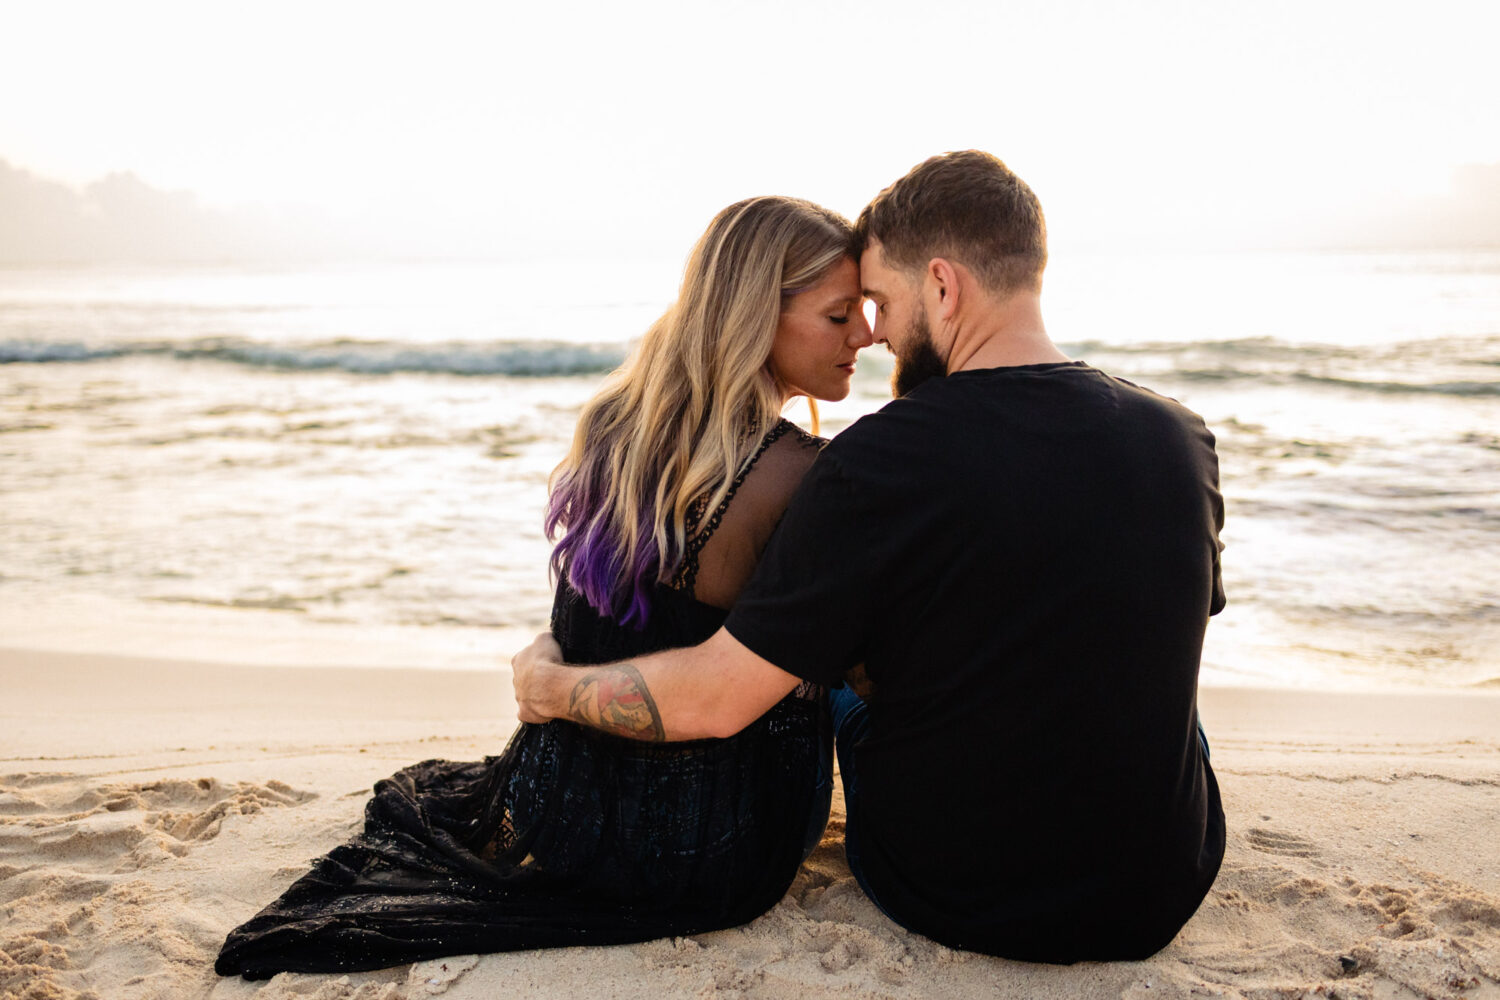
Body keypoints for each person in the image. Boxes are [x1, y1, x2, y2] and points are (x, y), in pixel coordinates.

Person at [512, 151, 1227, 964]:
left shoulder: (872, 461)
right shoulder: (1182, 435)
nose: (875, 332)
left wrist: (552, 686)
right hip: (1162, 886)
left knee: (846, 672)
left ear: (945, 287)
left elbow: (720, 697)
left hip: (951, 889)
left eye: (881, 302)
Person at [216, 196, 874, 980]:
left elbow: (590, 619)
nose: (865, 335)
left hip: (553, 803)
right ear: (755, 314)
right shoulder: (797, 475)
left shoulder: (611, 424)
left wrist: (549, 679)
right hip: (714, 844)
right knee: (843, 679)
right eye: (840, 316)